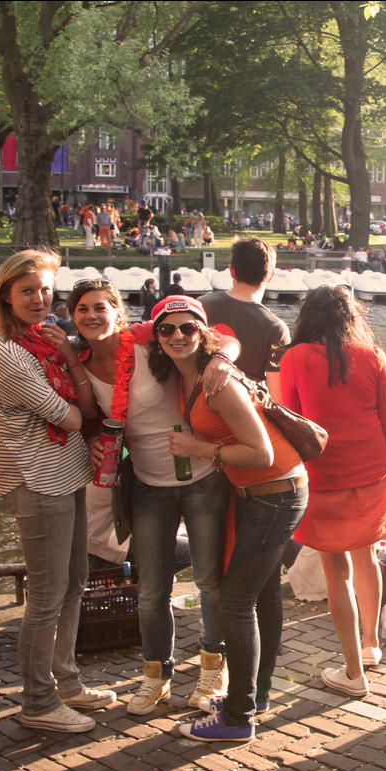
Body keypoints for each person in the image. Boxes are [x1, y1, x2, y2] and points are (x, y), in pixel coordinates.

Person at [68, 283, 235, 716]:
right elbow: (90, 418)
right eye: (82, 309)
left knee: (209, 581)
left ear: (117, 312)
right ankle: (156, 675)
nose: (92, 315)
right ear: (72, 316)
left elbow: (216, 336)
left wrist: (221, 358)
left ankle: (214, 669)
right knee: (151, 589)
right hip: (146, 485)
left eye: (100, 307)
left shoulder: (145, 341)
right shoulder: (77, 365)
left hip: (201, 477)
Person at [153, 296, 308, 743]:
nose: (178, 336)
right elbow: (230, 339)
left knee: (236, 602)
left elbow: (260, 453)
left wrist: (200, 450)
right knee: (260, 595)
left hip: (275, 491)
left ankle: (239, 720)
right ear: (157, 338)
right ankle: (252, 697)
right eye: (168, 330)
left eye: (188, 329)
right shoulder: (199, 372)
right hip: (264, 492)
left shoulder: (218, 384)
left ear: (202, 334)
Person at [0, 250, 113, 733]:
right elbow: (74, 416)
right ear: (6, 295)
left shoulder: (41, 339)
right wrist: (75, 382)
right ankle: (37, 701)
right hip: (35, 479)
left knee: (75, 581)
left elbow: (81, 407)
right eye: (27, 291)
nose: (40, 299)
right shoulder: (6, 352)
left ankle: (66, 680)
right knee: (47, 594)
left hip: (66, 470)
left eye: (45, 289)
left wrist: (70, 361)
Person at [276, 285, 386, 696]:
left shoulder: (294, 358)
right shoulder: (373, 357)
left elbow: (292, 422)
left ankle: (354, 672)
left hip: (322, 479)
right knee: (367, 557)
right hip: (373, 475)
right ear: (351, 318)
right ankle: (371, 646)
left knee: (337, 572)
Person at [201, 237, 290, 385]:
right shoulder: (276, 329)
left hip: (196, 402)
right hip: (245, 404)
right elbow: (277, 396)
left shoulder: (199, 306)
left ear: (232, 270)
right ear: (271, 276)